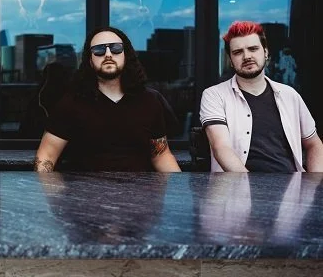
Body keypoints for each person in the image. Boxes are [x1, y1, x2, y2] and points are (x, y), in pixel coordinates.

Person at [34, 26, 181, 172]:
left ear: (126, 55)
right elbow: (47, 155)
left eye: (116, 48)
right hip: (86, 187)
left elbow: (161, 155)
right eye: (99, 50)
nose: (108, 54)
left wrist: (179, 186)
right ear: (90, 60)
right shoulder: (72, 103)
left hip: (140, 186)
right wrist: (48, 185)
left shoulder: (149, 101)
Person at [199, 21, 323, 172]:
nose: (247, 56)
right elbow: (221, 148)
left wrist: (314, 182)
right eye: (238, 52)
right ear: (230, 60)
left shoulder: (289, 95)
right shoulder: (214, 95)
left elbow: (314, 144)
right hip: (237, 185)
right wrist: (250, 185)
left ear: (265, 52)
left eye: (253, 49)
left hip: (293, 184)